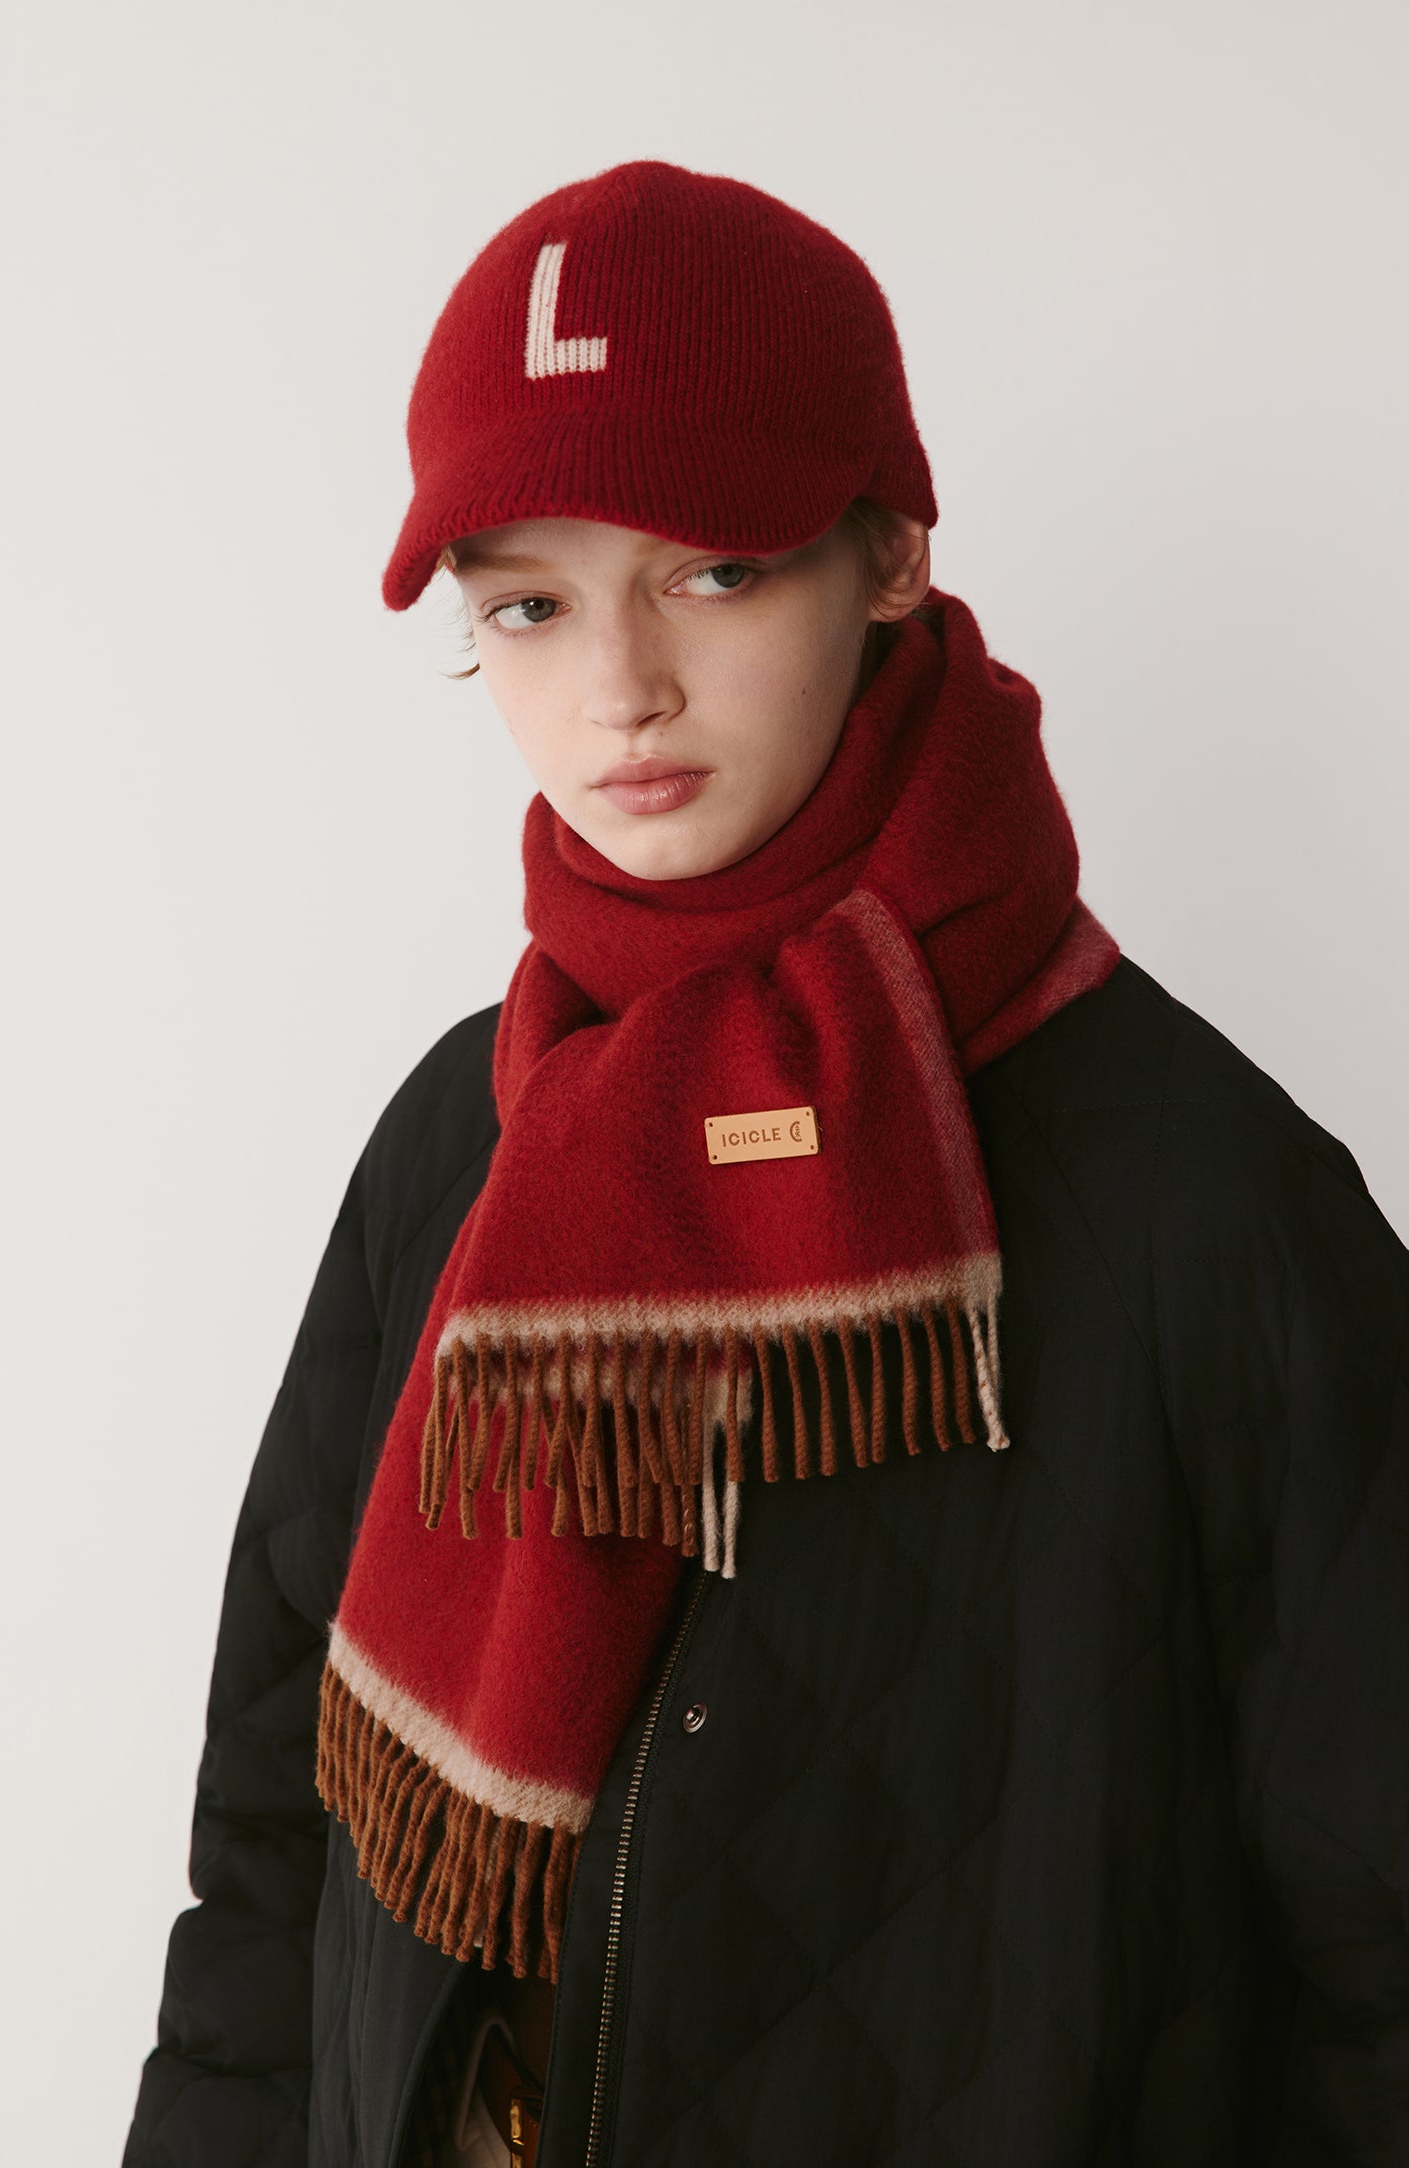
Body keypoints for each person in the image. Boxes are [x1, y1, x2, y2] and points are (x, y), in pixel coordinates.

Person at [123, 160, 1409, 2168]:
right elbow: (273, 1872)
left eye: (710, 568)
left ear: (886, 551)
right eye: (529, 606)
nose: (617, 687)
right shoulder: (457, 1142)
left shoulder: (1204, 1200)